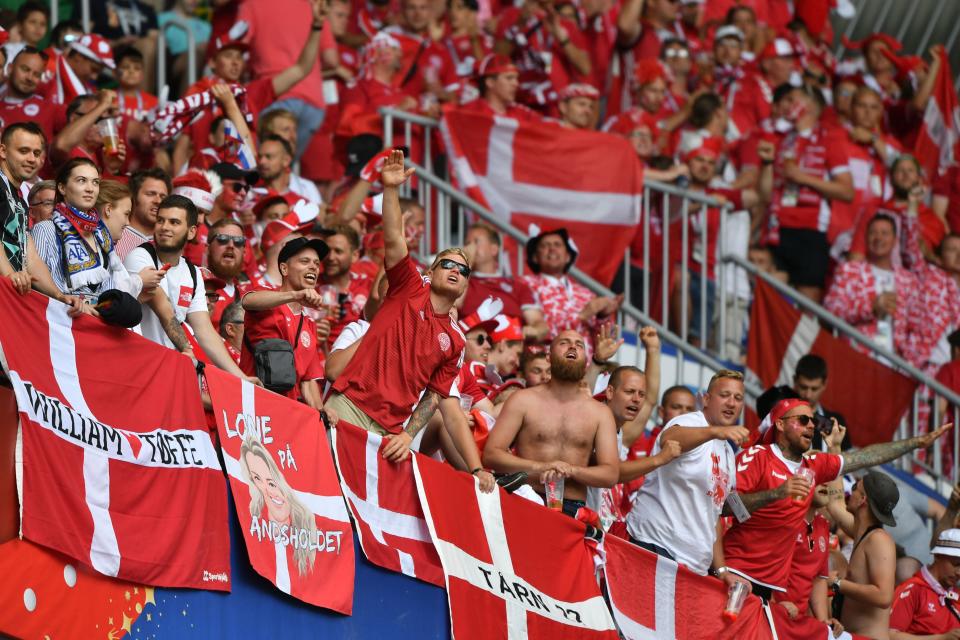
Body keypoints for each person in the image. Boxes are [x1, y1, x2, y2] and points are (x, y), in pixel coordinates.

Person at [326, 150, 494, 492]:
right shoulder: (408, 287)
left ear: (465, 286)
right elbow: (392, 239)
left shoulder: (457, 341)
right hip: (349, 407)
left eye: (463, 270)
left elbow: (438, 398)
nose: (455, 271)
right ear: (430, 272)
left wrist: (408, 435)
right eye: (447, 264)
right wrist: (389, 190)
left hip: (390, 434)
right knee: (326, 492)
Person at [723, 400, 949, 601]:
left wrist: (916, 443)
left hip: (770, 585)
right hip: (736, 571)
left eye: (812, 421)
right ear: (780, 424)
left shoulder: (814, 465)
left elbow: (866, 457)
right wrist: (776, 493)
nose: (811, 425)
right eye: (803, 420)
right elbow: (724, 507)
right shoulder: (757, 456)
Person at [624, 369, 751, 576]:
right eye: (724, 395)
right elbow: (670, 438)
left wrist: (721, 569)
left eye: (738, 398)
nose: (731, 403)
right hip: (655, 545)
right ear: (707, 399)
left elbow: (714, 514)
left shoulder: (728, 450)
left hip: (694, 566)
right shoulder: (691, 422)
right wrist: (715, 431)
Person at [482, 330, 620, 516]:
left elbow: (610, 474)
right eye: (564, 342)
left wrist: (571, 471)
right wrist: (540, 467)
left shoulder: (600, 413)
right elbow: (491, 455)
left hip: (573, 508)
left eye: (579, 345)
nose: (572, 346)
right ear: (549, 357)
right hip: (525, 498)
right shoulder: (522, 400)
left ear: (585, 359)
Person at [124, 195, 254, 382]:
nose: (165, 227)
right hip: (138, 367)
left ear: (192, 232)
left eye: (174, 222)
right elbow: (164, 309)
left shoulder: (192, 273)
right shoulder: (140, 257)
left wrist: (241, 378)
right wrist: (186, 349)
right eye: (161, 220)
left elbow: (205, 332)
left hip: (169, 371)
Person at [756, 84, 854, 302]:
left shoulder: (829, 140)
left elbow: (847, 191)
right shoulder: (781, 140)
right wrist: (766, 164)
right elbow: (764, 194)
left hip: (810, 230)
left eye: (792, 100)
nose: (785, 105)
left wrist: (803, 178)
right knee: (769, 296)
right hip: (778, 228)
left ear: (809, 105)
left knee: (807, 300)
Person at [0, 123, 88, 315]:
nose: (31, 159)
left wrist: (59, 295)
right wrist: (10, 275)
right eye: (24, 151)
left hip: (9, 300)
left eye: (36, 153)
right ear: (3, 151)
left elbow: (31, 257)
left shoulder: (20, 201)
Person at [240, 236, 330, 409]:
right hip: (252, 408)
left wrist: (321, 413)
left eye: (317, 264)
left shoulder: (309, 324)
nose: (313, 267)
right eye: (305, 261)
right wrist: (295, 295)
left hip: (286, 414)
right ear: (284, 268)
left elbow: (308, 382)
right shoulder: (267, 301)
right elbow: (247, 301)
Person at [824, 213, 923, 364]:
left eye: (884, 233)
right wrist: (870, 308)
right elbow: (831, 311)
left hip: (896, 366)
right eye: (873, 233)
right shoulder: (849, 271)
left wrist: (907, 356)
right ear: (865, 238)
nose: (878, 238)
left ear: (895, 241)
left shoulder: (908, 280)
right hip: (857, 358)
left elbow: (917, 325)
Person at [31, 158, 124, 302]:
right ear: (62, 188)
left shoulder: (102, 234)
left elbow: (109, 290)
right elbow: (34, 284)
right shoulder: (44, 229)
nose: (90, 188)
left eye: (95, 182)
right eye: (81, 180)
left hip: (96, 319)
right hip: (61, 318)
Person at [521, 227, 621, 351]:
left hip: (585, 367)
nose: (552, 248)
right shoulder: (525, 284)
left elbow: (605, 343)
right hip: (546, 365)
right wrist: (581, 316)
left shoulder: (585, 294)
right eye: (545, 245)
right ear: (535, 257)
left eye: (557, 245)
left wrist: (603, 317)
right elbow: (538, 331)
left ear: (568, 256)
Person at [830, 471, 901, 638]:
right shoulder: (863, 534)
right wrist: (834, 450)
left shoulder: (879, 540)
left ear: (862, 499)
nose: (850, 492)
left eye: (854, 487)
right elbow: (834, 505)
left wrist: (838, 583)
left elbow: (883, 596)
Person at [240, 437, 317, 578]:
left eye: (271, 482)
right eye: (257, 479)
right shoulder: (250, 516)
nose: (268, 490)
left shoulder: (308, 524)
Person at [462, 222, 547, 341]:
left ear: (494, 249)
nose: (469, 248)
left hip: (511, 349)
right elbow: (454, 305)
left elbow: (538, 322)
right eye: (467, 243)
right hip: (473, 347)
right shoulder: (461, 281)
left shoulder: (517, 286)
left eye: (476, 242)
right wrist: (465, 264)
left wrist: (534, 330)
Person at [889, 529, 960, 639]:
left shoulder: (956, 593)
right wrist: (941, 638)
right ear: (937, 556)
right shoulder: (913, 590)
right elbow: (891, 636)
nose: (959, 572)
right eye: (956, 564)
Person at [792, 354, 850, 451]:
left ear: (824, 384)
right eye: (803, 387)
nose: (808, 395)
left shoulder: (834, 422)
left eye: (814, 389)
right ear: (795, 381)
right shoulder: (781, 416)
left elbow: (847, 461)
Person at [115, 168, 171, 260]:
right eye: (151, 194)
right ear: (134, 196)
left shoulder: (170, 243)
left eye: (163, 196)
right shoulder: (114, 236)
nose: (158, 201)